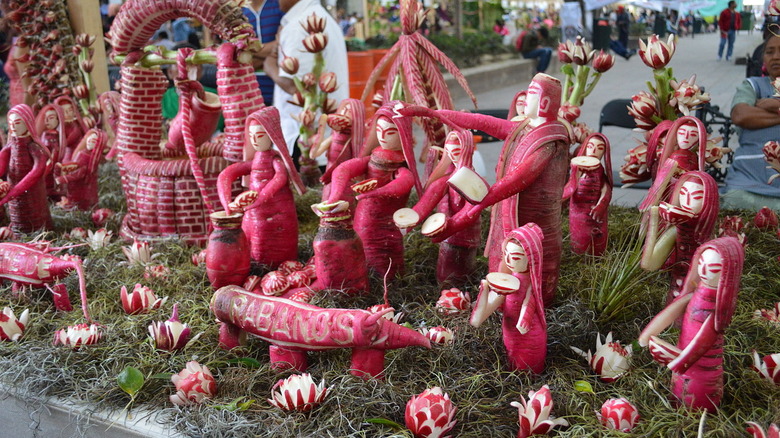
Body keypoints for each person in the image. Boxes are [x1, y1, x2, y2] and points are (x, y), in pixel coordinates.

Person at [264, 0, 349, 155]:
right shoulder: (319, 17)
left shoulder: (298, 26)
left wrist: (269, 65)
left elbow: (297, 87)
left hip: (305, 139)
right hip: (323, 136)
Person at [723, 32, 780, 209]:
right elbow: (741, 115)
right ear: (763, 58)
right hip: (749, 176)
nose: (776, 56)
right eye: (770, 52)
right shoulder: (752, 85)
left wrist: (772, 105)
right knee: (735, 198)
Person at [242, 0, 283, 105]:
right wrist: (271, 54)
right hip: (247, 92)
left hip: (279, 87)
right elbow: (235, 56)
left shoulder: (279, 5)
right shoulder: (236, 13)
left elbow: (285, 43)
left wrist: (246, 47)